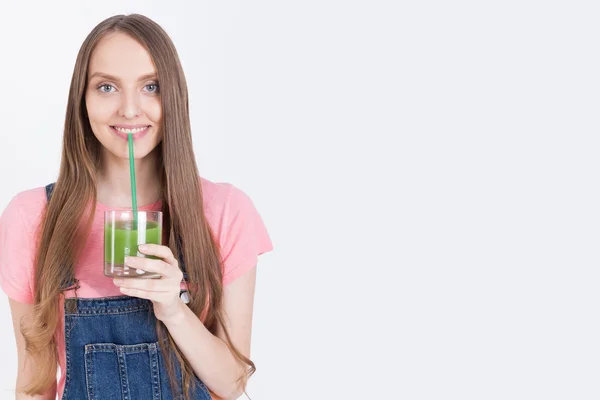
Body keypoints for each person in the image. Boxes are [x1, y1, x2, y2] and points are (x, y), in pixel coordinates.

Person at [0, 13, 273, 400]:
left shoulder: (225, 210)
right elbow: (34, 387)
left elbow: (232, 383)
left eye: (151, 86)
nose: (130, 110)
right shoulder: (32, 218)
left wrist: (173, 309)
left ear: (173, 95)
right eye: (107, 86)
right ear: (82, 99)